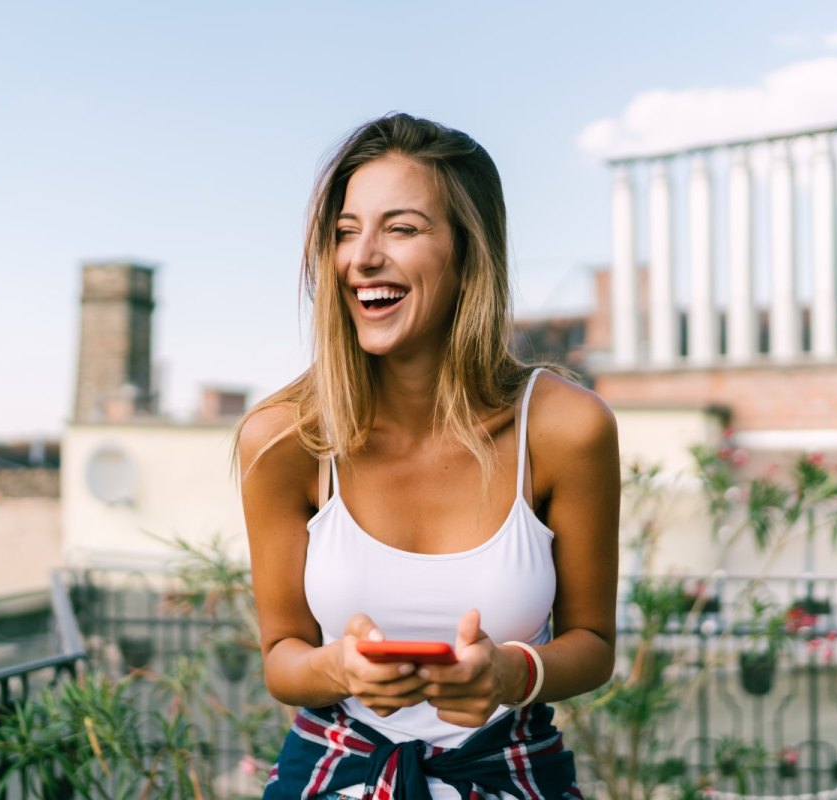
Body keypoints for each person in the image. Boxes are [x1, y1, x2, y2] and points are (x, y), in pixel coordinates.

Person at [236, 113, 620, 800]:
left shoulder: (567, 428)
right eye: (346, 231)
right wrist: (340, 669)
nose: (362, 256)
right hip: (329, 777)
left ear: (470, 252)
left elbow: (591, 641)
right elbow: (280, 658)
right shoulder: (281, 437)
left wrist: (511, 674)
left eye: (402, 228)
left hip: (510, 778)